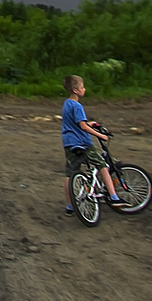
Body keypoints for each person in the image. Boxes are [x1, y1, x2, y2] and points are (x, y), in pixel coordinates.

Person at [61, 74, 125, 215]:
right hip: (83, 143)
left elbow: (76, 123)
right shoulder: (77, 106)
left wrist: (91, 124)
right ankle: (114, 196)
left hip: (68, 143)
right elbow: (83, 127)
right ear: (76, 90)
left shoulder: (66, 104)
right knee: (102, 165)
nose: (84, 89)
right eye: (82, 87)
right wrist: (101, 135)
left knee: (70, 173)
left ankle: (70, 206)